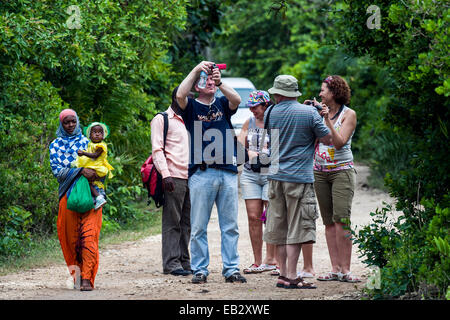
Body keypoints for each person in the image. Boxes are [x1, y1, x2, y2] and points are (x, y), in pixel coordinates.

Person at [176, 61, 247, 284]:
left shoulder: (223, 104)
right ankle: (199, 269)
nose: (210, 83)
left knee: (230, 225)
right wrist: (197, 69)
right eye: (205, 81)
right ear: (197, 86)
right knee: (198, 226)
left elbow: (237, 100)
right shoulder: (191, 108)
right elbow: (179, 94)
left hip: (227, 171)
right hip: (201, 173)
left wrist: (220, 81)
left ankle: (231, 269)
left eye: (211, 81)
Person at [263, 75, 332, 289]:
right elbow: (327, 138)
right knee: (297, 228)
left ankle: (283, 274)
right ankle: (292, 276)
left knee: (281, 228)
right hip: (299, 178)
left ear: (279, 93)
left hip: (275, 178)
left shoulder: (270, 112)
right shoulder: (309, 112)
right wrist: (319, 114)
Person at [308, 75, 360, 283]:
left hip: (341, 171)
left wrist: (326, 119)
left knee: (342, 220)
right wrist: (309, 113)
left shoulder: (349, 115)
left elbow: (338, 142)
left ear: (334, 92)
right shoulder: (317, 113)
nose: (320, 94)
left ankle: (346, 270)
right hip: (319, 171)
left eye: (323, 90)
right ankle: (335, 268)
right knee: (328, 222)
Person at [49, 109, 104, 291]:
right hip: (68, 195)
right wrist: (80, 171)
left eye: (73, 121)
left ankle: (87, 278)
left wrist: (96, 173)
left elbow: (101, 162)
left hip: (90, 194)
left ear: (78, 121)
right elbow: (58, 173)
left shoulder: (88, 141)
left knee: (89, 237)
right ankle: (77, 277)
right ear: (61, 125)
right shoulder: (55, 145)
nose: (71, 125)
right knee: (71, 239)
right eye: (66, 122)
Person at [151, 86, 192, 277]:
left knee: (187, 223)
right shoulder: (162, 119)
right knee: (172, 222)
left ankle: (185, 261)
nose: (189, 100)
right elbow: (157, 149)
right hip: (173, 177)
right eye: (186, 97)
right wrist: (165, 174)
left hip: (192, 176)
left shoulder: (190, 118)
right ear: (177, 97)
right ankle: (171, 263)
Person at [237, 90, 277, 274]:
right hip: (251, 173)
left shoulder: (275, 122)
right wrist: (248, 153)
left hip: (270, 174)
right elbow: (238, 146)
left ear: (265, 105)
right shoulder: (249, 122)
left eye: (255, 106)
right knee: (253, 217)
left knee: (269, 217)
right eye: (250, 106)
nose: (252, 109)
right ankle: (257, 260)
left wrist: (266, 154)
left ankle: (272, 259)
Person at [74, 122, 114, 210]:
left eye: (100, 132)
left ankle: (99, 196)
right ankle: (97, 198)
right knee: (89, 183)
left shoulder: (101, 146)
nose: (97, 134)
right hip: (93, 167)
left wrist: (84, 153)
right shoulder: (90, 144)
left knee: (92, 182)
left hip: (98, 168)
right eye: (94, 132)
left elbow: (95, 155)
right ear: (89, 135)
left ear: (103, 136)